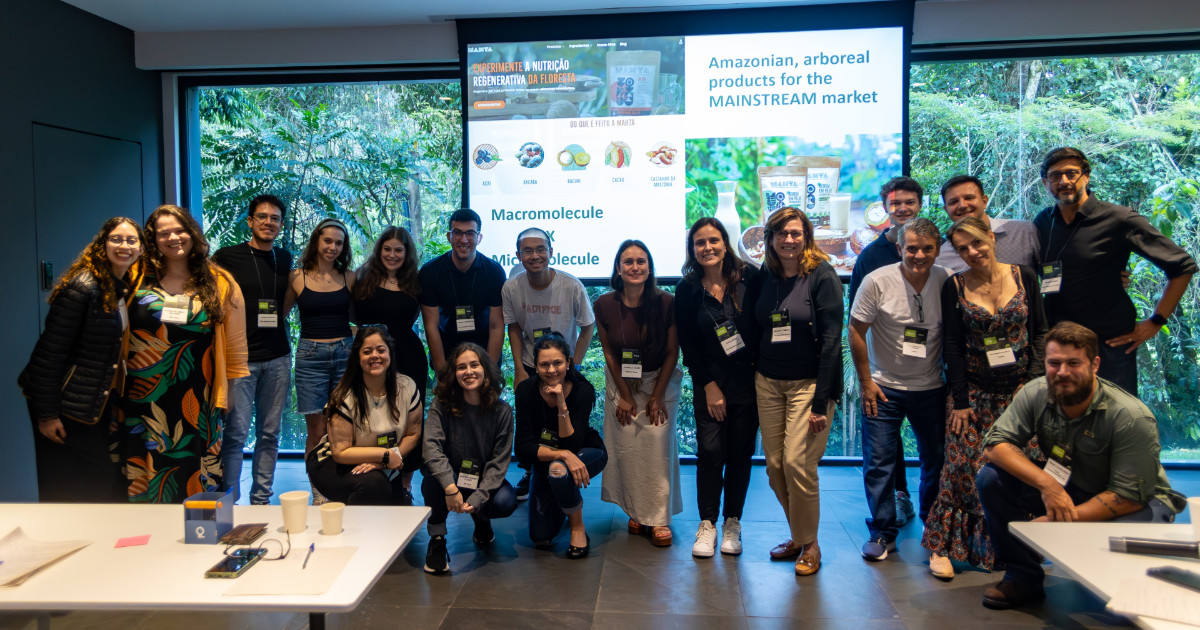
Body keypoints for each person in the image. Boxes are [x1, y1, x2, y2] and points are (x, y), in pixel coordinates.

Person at [976, 321, 1185, 609]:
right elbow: (995, 445)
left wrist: (1058, 520)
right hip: (1071, 486)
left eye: (1073, 363)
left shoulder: (1130, 416)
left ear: (1095, 364)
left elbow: (1129, 495)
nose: (1062, 372)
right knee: (991, 479)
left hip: (1140, 501)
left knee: (1123, 598)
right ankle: (1023, 579)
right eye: (1054, 363)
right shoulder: (1035, 392)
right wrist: (1048, 485)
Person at [922, 216, 1047, 581]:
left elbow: (1040, 332)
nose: (973, 252)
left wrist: (1034, 382)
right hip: (973, 394)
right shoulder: (955, 286)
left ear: (991, 237)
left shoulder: (1025, 276)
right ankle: (942, 548)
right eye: (963, 248)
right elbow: (953, 348)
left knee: (1016, 471)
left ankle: (1010, 549)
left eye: (977, 243)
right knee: (961, 471)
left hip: (1021, 394)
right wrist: (959, 400)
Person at [1033, 147, 1196, 395]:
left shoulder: (1119, 219)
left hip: (1109, 344)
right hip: (1059, 345)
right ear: (1045, 183)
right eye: (1055, 176)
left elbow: (1182, 266)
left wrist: (1155, 321)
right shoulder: (1044, 222)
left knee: (1116, 422)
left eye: (1071, 173)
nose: (1063, 181)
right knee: (1063, 422)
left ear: (1086, 177)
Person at [116, 205, 248, 503]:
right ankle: (148, 540)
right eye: (164, 233)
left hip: (197, 397)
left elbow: (236, 351)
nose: (174, 238)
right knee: (146, 474)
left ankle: (198, 541)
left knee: (195, 474)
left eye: (180, 230)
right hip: (143, 397)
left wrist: (227, 397)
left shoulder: (221, 283)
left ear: (193, 233)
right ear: (152, 240)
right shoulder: (134, 276)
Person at [742, 208, 843, 575]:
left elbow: (832, 340)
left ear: (807, 236)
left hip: (809, 385)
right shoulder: (763, 277)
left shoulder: (822, 275)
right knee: (773, 467)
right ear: (770, 238)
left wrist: (821, 401)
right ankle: (799, 536)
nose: (789, 240)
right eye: (781, 233)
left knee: (797, 465)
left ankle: (811, 544)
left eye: (796, 233)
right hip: (768, 382)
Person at [19, 217, 142, 503]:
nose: (124, 245)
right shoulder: (83, 288)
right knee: (73, 483)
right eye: (116, 239)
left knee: (93, 482)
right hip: (62, 403)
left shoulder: (117, 287)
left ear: (141, 249)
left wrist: (107, 410)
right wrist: (47, 415)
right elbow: (48, 355)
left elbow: (106, 359)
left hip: (88, 403)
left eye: (132, 240)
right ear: (102, 244)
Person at [849, 216, 948, 561]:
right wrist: (866, 382)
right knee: (879, 463)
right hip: (883, 387)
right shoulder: (877, 281)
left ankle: (934, 531)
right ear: (899, 248)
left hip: (931, 387)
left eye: (926, 249)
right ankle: (882, 532)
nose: (918, 255)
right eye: (911, 248)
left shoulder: (946, 281)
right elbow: (856, 330)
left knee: (935, 460)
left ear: (937, 250)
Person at [675, 218, 758, 558]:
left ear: (725, 243)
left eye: (713, 240)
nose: (707, 247)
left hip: (749, 384)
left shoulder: (749, 279)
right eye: (699, 242)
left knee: (740, 455)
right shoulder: (687, 289)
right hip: (708, 383)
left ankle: (732, 522)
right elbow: (688, 345)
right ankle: (707, 523)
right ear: (692, 249)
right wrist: (708, 385)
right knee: (710, 454)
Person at [418, 209, 514, 498]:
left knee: (482, 428)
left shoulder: (493, 271)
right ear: (449, 236)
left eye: (470, 233)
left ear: (479, 237)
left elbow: (498, 326)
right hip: (449, 364)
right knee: (448, 424)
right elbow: (431, 328)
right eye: (457, 233)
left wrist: (491, 372)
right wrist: (443, 373)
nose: (463, 239)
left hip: (483, 365)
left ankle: (480, 508)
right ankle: (445, 488)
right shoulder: (431, 272)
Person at [594, 240, 683, 547]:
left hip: (660, 381)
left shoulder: (666, 302)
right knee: (628, 452)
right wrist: (624, 396)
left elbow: (673, 352)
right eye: (628, 262)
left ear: (649, 267)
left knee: (657, 452)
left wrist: (657, 396)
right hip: (622, 385)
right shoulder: (604, 304)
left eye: (641, 261)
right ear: (618, 268)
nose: (635, 267)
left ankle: (658, 518)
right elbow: (608, 353)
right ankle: (635, 511)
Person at [847, 176, 924, 527]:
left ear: (920, 204)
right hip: (883, 367)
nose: (902, 208)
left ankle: (935, 516)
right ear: (885, 207)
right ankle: (895, 502)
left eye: (909, 202)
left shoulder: (934, 245)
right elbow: (856, 318)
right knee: (883, 447)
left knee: (932, 449)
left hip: (929, 370)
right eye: (895, 203)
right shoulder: (870, 256)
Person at [502, 226, 596, 503]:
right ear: (518, 255)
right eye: (527, 250)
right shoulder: (511, 287)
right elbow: (514, 328)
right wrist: (520, 369)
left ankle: (565, 469)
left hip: (562, 365)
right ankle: (533, 472)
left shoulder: (571, 285)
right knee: (533, 425)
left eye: (540, 249)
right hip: (533, 366)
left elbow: (588, 327)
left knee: (563, 421)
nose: (534, 255)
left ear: (551, 252)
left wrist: (572, 364)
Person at [212, 194, 293, 505]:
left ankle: (261, 500)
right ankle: (228, 501)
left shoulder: (283, 258)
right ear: (250, 221)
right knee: (235, 435)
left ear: (281, 225)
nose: (268, 222)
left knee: (270, 435)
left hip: (278, 357)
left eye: (274, 218)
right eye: (262, 216)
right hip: (240, 361)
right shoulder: (227, 257)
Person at [421, 343, 519, 575]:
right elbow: (431, 447)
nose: (469, 372)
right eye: (461, 367)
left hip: (481, 479)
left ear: (485, 368)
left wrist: (478, 498)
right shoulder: (441, 404)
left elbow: (499, 463)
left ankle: (481, 519)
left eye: (474, 365)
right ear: (454, 374)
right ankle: (437, 539)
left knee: (505, 500)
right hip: (450, 478)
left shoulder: (502, 411)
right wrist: (450, 487)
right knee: (432, 479)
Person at [514, 333, 607, 558]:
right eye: (544, 364)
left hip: (586, 450)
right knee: (541, 537)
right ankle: (564, 498)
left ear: (568, 362)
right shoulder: (525, 390)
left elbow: (573, 444)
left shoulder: (582, 390)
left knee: (558, 471)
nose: (552, 370)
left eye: (557, 363)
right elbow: (523, 447)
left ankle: (578, 527)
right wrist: (563, 454)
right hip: (551, 457)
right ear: (535, 367)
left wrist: (561, 405)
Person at [306, 326, 422, 505]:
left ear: (390, 354)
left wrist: (384, 461)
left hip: (381, 462)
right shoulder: (345, 395)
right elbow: (340, 452)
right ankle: (344, 521)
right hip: (334, 461)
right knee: (375, 486)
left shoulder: (407, 387)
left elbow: (413, 434)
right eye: (367, 351)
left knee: (399, 510)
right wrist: (384, 455)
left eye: (381, 350)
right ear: (358, 358)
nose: (375, 355)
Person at [287, 217, 356, 503]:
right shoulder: (296, 277)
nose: (332, 247)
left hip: (344, 354)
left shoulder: (349, 277)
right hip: (309, 356)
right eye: (327, 240)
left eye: (339, 243)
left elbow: (357, 319)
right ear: (316, 241)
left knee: (342, 426)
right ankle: (319, 491)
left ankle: (342, 486)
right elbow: (277, 317)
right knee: (316, 430)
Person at [933, 175, 1040, 272]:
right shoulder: (942, 257)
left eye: (969, 198)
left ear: (984, 201)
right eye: (954, 202)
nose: (962, 205)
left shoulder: (1023, 231)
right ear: (946, 210)